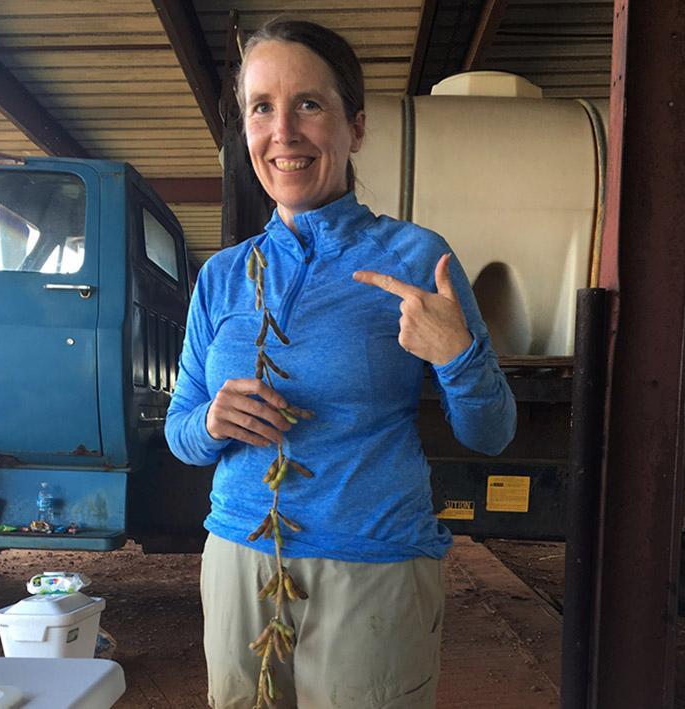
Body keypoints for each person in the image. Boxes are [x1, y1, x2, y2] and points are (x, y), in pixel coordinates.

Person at [165, 19, 516, 709]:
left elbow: (492, 432)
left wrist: (460, 356)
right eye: (261, 107)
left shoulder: (416, 258)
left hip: (374, 566)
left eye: (309, 104)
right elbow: (180, 430)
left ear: (355, 127)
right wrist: (211, 420)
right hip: (241, 558)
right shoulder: (225, 276)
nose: (283, 131)